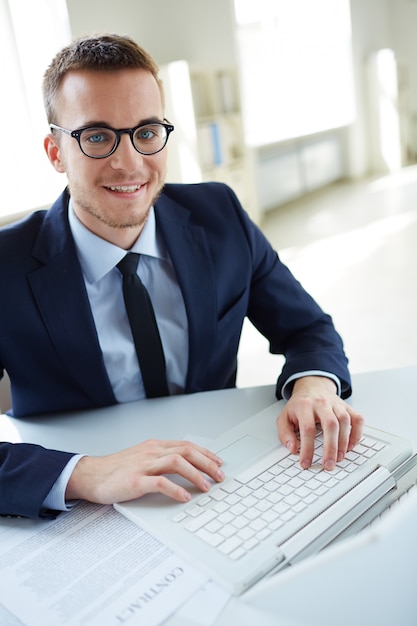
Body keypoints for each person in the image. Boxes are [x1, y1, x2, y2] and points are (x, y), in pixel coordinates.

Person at [0, 34, 363, 519]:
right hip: (83, 510)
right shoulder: (6, 264)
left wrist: (314, 385)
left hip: (214, 483)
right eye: (97, 136)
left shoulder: (219, 215)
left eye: (146, 132)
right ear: (54, 152)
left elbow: (307, 328)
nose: (128, 162)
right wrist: (86, 474)